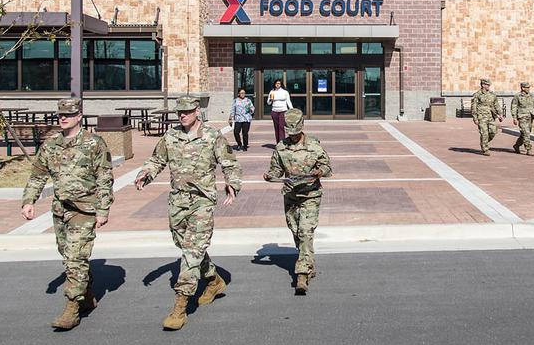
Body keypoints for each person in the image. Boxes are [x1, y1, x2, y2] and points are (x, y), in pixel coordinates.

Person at [134, 96, 242, 331]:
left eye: (186, 112)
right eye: (178, 112)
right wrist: (146, 174)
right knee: (184, 243)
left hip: (202, 202)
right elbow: (156, 159)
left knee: (192, 251)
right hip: (177, 202)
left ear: (197, 111)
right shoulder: (171, 136)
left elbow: (229, 163)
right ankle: (213, 280)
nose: (182, 116)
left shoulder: (211, 136)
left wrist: (232, 184)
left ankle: (180, 306)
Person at [21, 97, 113, 330]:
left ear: (79, 117)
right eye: (60, 114)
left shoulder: (94, 143)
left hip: (84, 209)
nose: (63, 118)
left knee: (75, 258)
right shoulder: (51, 145)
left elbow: (104, 177)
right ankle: (87, 293)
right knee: (67, 254)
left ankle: (72, 308)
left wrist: (103, 209)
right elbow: (38, 174)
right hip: (60, 210)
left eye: (69, 115)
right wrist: (29, 200)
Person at [263, 109, 331, 295]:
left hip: (310, 194)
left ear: (301, 127)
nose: (292, 136)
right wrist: (271, 176)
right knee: (295, 230)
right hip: (291, 195)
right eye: (289, 132)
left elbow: (327, 166)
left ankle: (301, 275)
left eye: (295, 132)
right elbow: (276, 169)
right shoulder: (281, 147)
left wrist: (319, 172)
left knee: (305, 231)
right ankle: (308, 263)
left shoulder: (314, 145)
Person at [470, 78, 503, 156]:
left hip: (491, 116)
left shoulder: (492, 94)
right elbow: (473, 107)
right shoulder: (477, 94)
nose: (489, 86)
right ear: (483, 85)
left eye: (489, 85)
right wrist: (475, 118)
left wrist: (500, 114)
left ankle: (484, 142)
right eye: (487, 85)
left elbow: (496, 105)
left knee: (493, 131)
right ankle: (485, 149)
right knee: (484, 133)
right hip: (481, 117)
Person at [511, 81, 534, 156]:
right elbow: (514, 107)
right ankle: (529, 149)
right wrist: (514, 117)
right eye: (527, 87)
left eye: (529, 87)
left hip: (530, 117)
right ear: (522, 88)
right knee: (526, 133)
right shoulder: (517, 96)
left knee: (524, 134)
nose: (528, 89)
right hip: (522, 117)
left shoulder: (532, 96)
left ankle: (516, 145)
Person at [267, 79, 293, 144]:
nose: (277, 84)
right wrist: (271, 99)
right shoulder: (272, 92)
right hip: (274, 111)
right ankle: (278, 143)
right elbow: (268, 103)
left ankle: (282, 143)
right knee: (276, 127)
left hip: (283, 111)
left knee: (281, 127)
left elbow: (288, 102)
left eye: (279, 83)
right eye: (276, 83)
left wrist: (292, 110)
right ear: (274, 84)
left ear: (281, 84)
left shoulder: (285, 92)